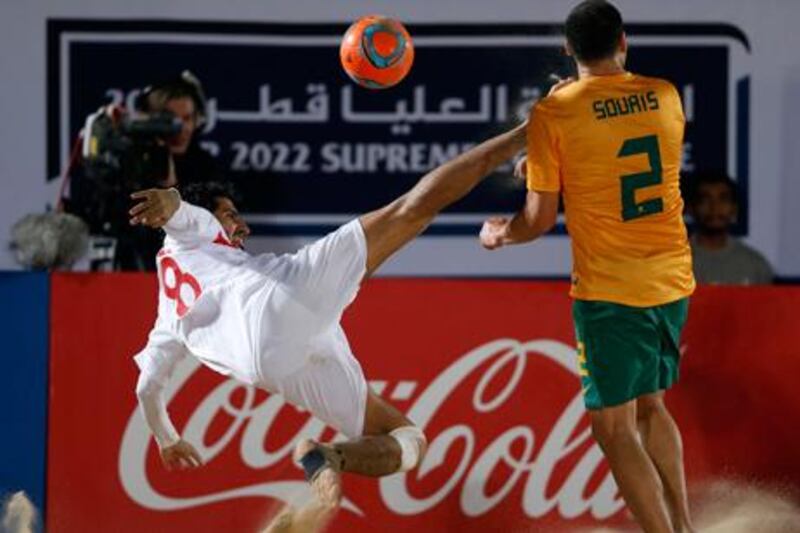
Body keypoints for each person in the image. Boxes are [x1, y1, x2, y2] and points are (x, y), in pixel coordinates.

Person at [129, 123, 527, 524]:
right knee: (412, 209)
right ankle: (520, 136)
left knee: (408, 439)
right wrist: (171, 202)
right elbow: (182, 213)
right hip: (276, 300)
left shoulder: (167, 317)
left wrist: (168, 439)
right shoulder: (191, 233)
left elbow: (147, 388)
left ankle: (328, 456)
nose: (242, 227)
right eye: (231, 215)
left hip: (275, 367)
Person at [480, 1, 696, 532]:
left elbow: (538, 219)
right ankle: (685, 527)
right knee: (652, 405)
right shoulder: (666, 95)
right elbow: (617, 158)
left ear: (567, 49)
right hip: (672, 278)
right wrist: (547, 159)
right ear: (624, 41)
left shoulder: (554, 113)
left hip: (611, 292)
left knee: (612, 428)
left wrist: (500, 234)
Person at [64, 71, 223, 271]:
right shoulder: (125, 159)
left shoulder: (206, 167)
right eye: (171, 120)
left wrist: (172, 190)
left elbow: (214, 229)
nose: (182, 128)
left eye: (188, 118)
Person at [687, 171, 773, 285]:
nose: (715, 207)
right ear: (691, 208)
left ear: (734, 209)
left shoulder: (756, 265)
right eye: (705, 200)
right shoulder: (673, 264)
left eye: (723, 199)